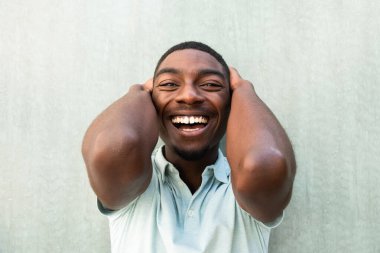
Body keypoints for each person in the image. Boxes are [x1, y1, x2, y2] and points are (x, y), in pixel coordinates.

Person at [82, 41, 296, 253]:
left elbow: (265, 163)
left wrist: (243, 89)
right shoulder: (131, 183)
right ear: (151, 104)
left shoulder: (244, 190)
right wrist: (138, 92)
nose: (189, 96)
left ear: (232, 104)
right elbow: (113, 147)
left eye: (211, 84)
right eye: (169, 84)